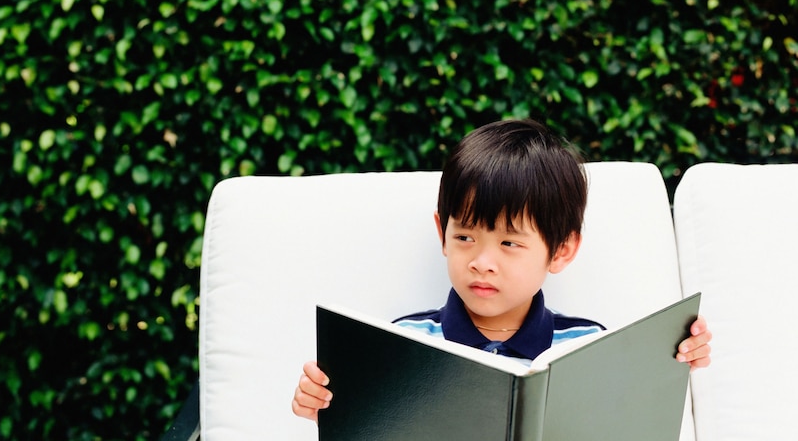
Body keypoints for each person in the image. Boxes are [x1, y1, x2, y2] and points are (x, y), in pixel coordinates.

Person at [292, 118, 713, 422]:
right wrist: (326, 406)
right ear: (442, 233)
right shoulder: (402, 343)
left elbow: (630, 420)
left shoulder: (588, 346)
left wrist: (671, 361)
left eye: (509, 243)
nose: (481, 261)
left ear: (561, 250)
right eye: (465, 237)